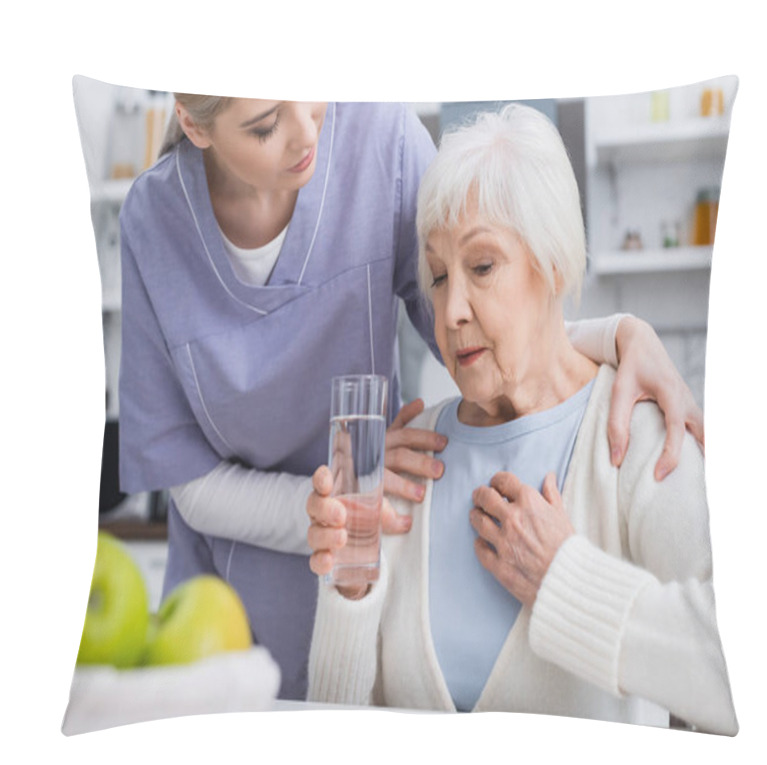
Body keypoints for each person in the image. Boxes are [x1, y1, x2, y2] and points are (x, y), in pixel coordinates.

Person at [118, 94, 705, 701]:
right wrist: (349, 507)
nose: (304, 133)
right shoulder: (154, 220)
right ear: (193, 125)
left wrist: (618, 336)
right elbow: (479, 309)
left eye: (310, 88)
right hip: (235, 599)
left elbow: (490, 324)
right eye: (266, 126)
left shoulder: (383, 143)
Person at [305, 103, 737, 735]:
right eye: (439, 275)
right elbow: (332, 727)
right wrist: (348, 592)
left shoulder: (637, 433)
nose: (450, 311)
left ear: (554, 263)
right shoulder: (410, 454)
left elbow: (742, 673)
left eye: (482, 267)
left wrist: (563, 578)